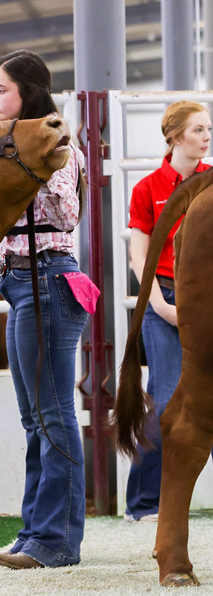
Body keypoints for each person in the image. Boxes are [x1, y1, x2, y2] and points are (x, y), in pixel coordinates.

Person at [124, 100, 213, 522]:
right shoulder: (149, 188)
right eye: (198, 130)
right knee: (167, 395)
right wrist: (158, 303)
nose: (207, 138)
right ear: (175, 137)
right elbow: (140, 250)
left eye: (208, 130)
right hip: (165, 295)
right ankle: (144, 504)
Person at [0, 50, 89, 569]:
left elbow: (65, 214)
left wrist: (32, 166)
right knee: (35, 417)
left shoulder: (60, 148)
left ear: (28, 95)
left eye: (3, 91)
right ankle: (36, 533)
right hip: (18, 284)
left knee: (53, 414)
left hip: (50, 278)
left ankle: (56, 541)